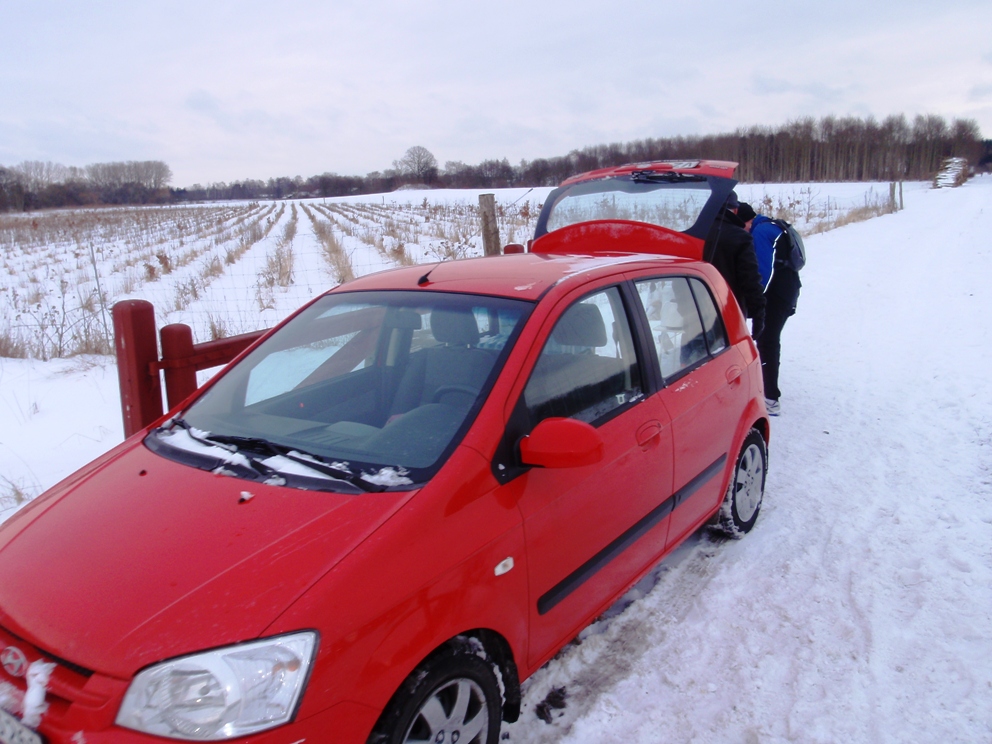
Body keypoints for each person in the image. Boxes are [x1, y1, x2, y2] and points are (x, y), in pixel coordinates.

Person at [738, 202, 801, 416]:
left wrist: (754, 301)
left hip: (778, 296)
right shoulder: (771, 225)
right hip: (788, 290)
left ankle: (771, 399)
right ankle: (766, 391)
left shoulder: (761, 232)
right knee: (768, 340)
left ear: (747, 222)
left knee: (768, 341)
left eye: (742, 227)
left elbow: (764, 272)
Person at [703, 191, 766, 339]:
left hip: (695, 313)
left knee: (692, 358)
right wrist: (758, 315)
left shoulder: (693, 232)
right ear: (735, 210)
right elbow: (750, 279)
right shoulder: (740, 237)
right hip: (729, 312)